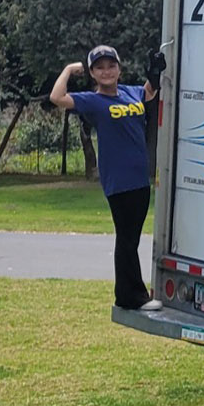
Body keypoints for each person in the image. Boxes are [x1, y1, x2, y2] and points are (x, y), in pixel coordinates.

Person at [51, 45, 166, 313]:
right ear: (92, 73)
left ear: (119, 68)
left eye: (111, 65)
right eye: (99, 67)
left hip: (140, 178)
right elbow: (57, 97)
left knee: (131, 238)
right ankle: (131, 296)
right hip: (119, 180)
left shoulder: (130, 92)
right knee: (126, 239)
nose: (106, 71)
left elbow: (149, 92)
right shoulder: (93, 101)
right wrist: (68, 69)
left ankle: (129, 293)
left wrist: (155, 72)